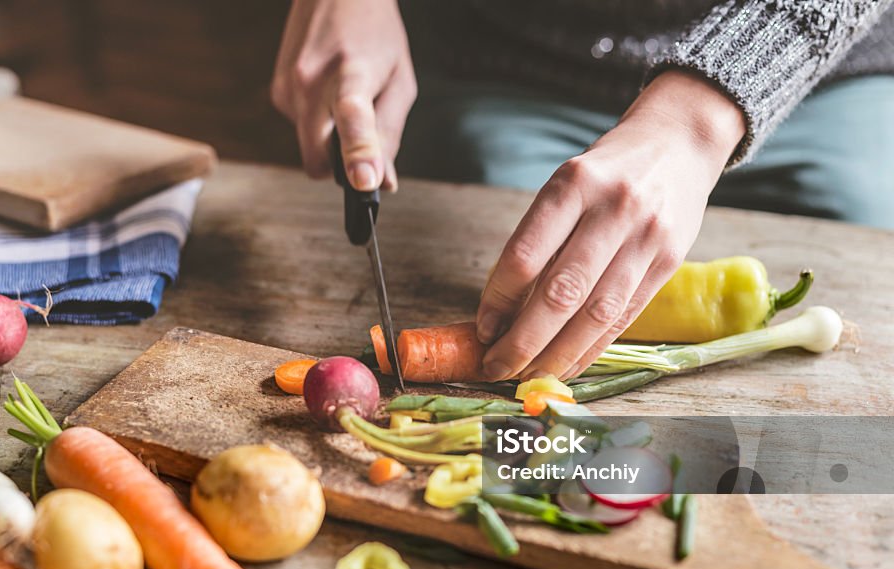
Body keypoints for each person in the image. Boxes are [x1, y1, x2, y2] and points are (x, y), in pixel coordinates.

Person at [270, 0, 894, 381]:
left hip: (813, 70)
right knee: (516, 276)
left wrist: (696, 119)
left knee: (865, 227)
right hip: (510, 65)